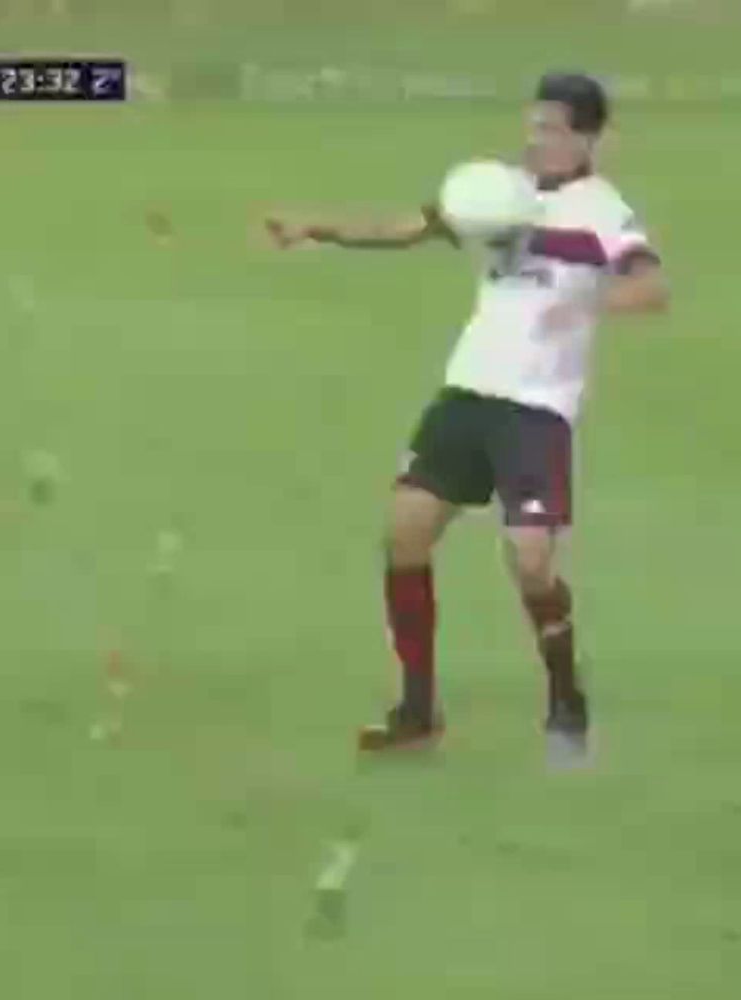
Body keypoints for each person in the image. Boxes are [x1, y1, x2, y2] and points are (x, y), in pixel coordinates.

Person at [266, 72, 667, 763]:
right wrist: (319, 228)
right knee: (404, 534)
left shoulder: (603, 211)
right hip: (467, 393)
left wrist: (589, 305)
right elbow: (411, 227)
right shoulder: (495, 193)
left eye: (552, 129)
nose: (536, 139)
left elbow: (651, 287)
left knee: (532, 562)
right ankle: (418, 711)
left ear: (589, 138)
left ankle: (566, 699)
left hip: (537, 409)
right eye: (533, 124)